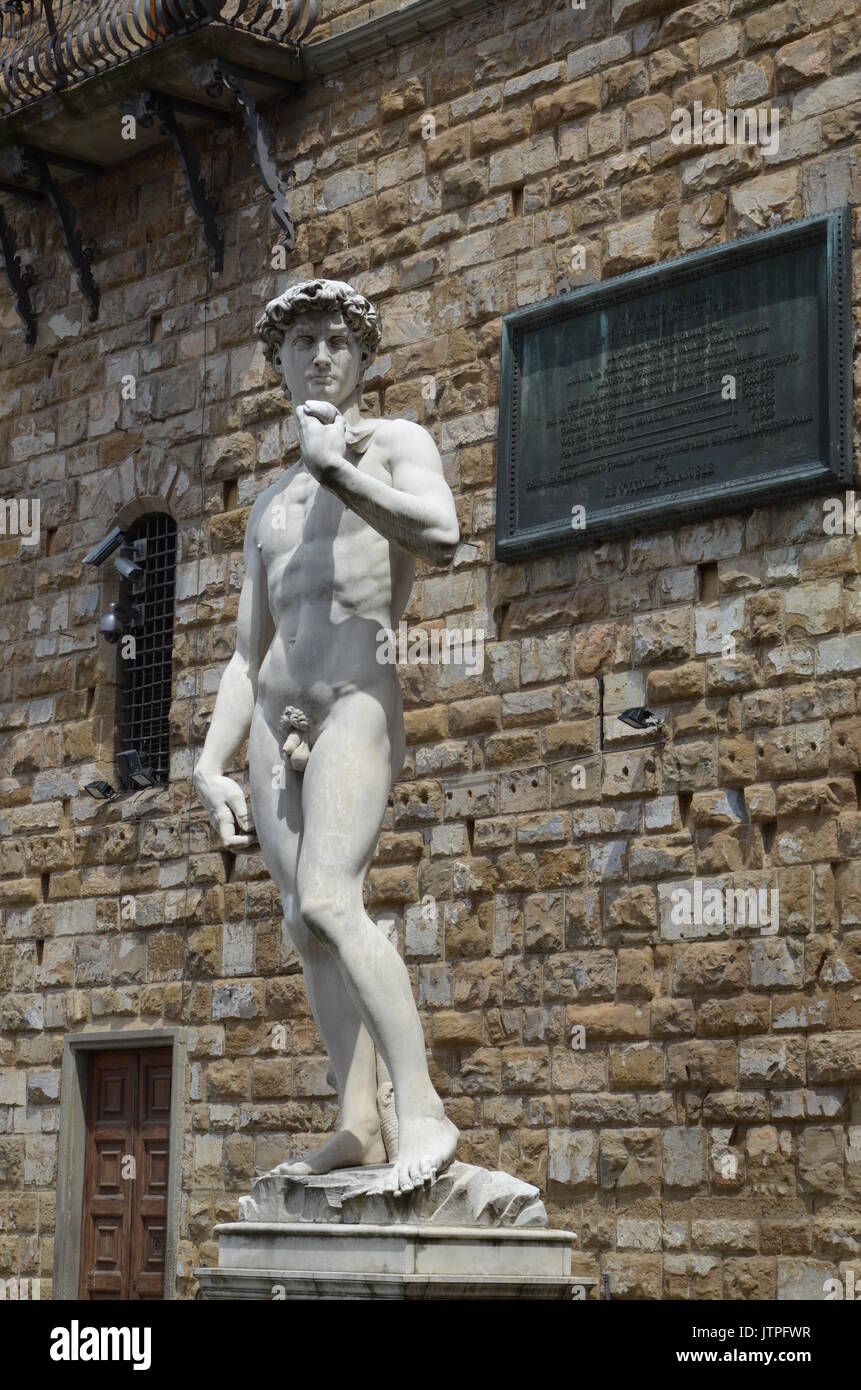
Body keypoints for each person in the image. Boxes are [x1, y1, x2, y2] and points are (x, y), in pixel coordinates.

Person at [193, 279, 461, 1194]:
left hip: (354, 697)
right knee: (302, 930)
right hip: (275, 716)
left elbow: (443, 536)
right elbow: (243, 651)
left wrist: (336, 468)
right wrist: (207, 763)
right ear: (276, 364)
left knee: (330, 902)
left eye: (336, 341)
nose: (319, 355)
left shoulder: (392, 444)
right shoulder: (267, 503)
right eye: (301, 341)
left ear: (362, 357)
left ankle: (420, 1109)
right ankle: (355, 1121)